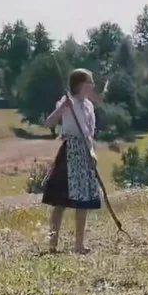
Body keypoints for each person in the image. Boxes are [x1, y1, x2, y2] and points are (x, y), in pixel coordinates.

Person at [41, 68, 103, 254]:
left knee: (83, 200)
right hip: (69, 152)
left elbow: (89, 134)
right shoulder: (67, 102)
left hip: (85, 153)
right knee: (60, 201)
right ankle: (52, 244)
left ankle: (79, 245)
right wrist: (62, 107)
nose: (92, 85)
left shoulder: (89, 106)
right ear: (80, 84)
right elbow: (49, 123)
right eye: (89, 82)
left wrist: (92, 153)